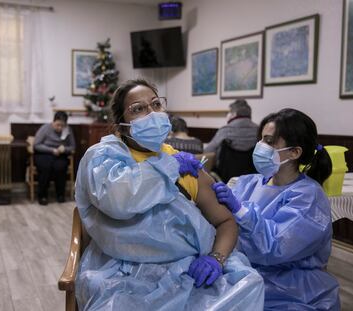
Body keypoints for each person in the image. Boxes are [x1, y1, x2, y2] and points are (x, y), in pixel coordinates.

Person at [74, 79, 264, 310]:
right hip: (122, 270)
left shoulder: (186, 166)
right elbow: (119, 199)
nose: (151, 113)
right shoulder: (105, 158)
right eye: (138, 109)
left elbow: (225, 221)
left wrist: (216, 258)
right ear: (121, 125)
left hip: (187, 268)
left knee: (249, 284)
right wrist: (169, 167)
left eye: (156, 104)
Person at [212, 108, 341, 310]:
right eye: (261, 139)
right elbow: (218, 222)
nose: (260, 147)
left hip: (289, 289)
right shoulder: (247, 183)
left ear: (295, 152)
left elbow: (275, 248)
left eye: (269, 142)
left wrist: (240, 211)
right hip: (242, 273)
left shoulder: (309, 197)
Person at [33, 111, 75, 205]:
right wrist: (52, 150)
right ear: (53, 122)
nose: (60, 128)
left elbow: (72, 147)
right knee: (45, 168)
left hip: (60, 154)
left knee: (60, 168)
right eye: (58, 125)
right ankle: (42, 196)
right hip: (44, 153)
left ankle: (60, 195)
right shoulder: (45, 128)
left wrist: (64, 149)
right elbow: (36, 145)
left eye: (62, 125)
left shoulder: (68, 130)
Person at [204, 99, 258, 166]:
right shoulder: (259, 130)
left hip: (226, 174)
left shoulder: (225, 130)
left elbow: (207, 152)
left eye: (228, 112)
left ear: (234, 114)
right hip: (253, 174)